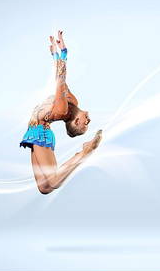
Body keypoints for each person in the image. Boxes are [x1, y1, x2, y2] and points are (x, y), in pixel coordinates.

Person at [20, 31, 102, 194]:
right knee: (44, 188)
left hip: (40, 134)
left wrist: (63, 54)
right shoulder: (73, 102)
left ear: (75, 121)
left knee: (54, 181)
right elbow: (62, 81)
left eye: (85, 124)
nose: (88, 121)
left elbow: (60, 80)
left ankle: (86, 152)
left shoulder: (62, 108)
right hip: (35, 132)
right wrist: (56, 56)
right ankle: (84, 153)